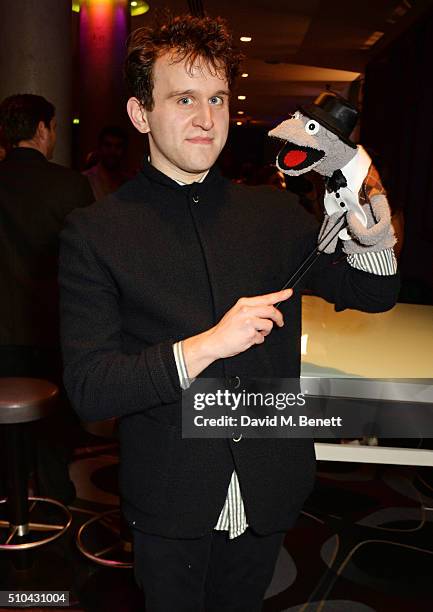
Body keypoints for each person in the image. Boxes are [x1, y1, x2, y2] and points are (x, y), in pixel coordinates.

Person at [59, 15, 399, 611]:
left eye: (217, 98)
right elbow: (91, 388)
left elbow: (375, 295)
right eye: (183, 98)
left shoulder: (274, 214)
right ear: (141, 114)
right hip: (170, 494)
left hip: (273, 479)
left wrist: (373, 235)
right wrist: (208, 344)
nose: (207, 118)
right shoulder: (95, 233)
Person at [0, 93, 94, 503]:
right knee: (53, 429)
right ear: (42, 129)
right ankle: (55, 502)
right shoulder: (70, 186)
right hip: (52, 330)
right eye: (54, 127)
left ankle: (11, 498)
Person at [82, 125, 130, 200]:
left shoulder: (128, 182)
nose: (112, 151)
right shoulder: (86, 180)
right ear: (100, 148)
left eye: (118, 146)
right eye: (108, 145)